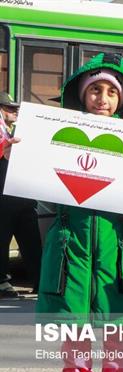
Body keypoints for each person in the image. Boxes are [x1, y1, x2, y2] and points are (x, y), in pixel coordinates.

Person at [5, 52, 123, 372]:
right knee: (74, 352)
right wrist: (16, 153)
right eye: (94, 90)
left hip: (118, 263)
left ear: (122, 99)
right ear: (81, 96)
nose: (102, 98)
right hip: (70, 261)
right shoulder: (51, 141)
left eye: (111, 92)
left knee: (117, 354)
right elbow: (29, 181)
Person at [0, 92, 42, 298]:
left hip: (21, 195)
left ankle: (41, 281)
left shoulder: (10, 130)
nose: (15, 111)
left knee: (30, 238)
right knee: (2, 238)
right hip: (4, 197)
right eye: (9, 108)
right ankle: (1, 282)